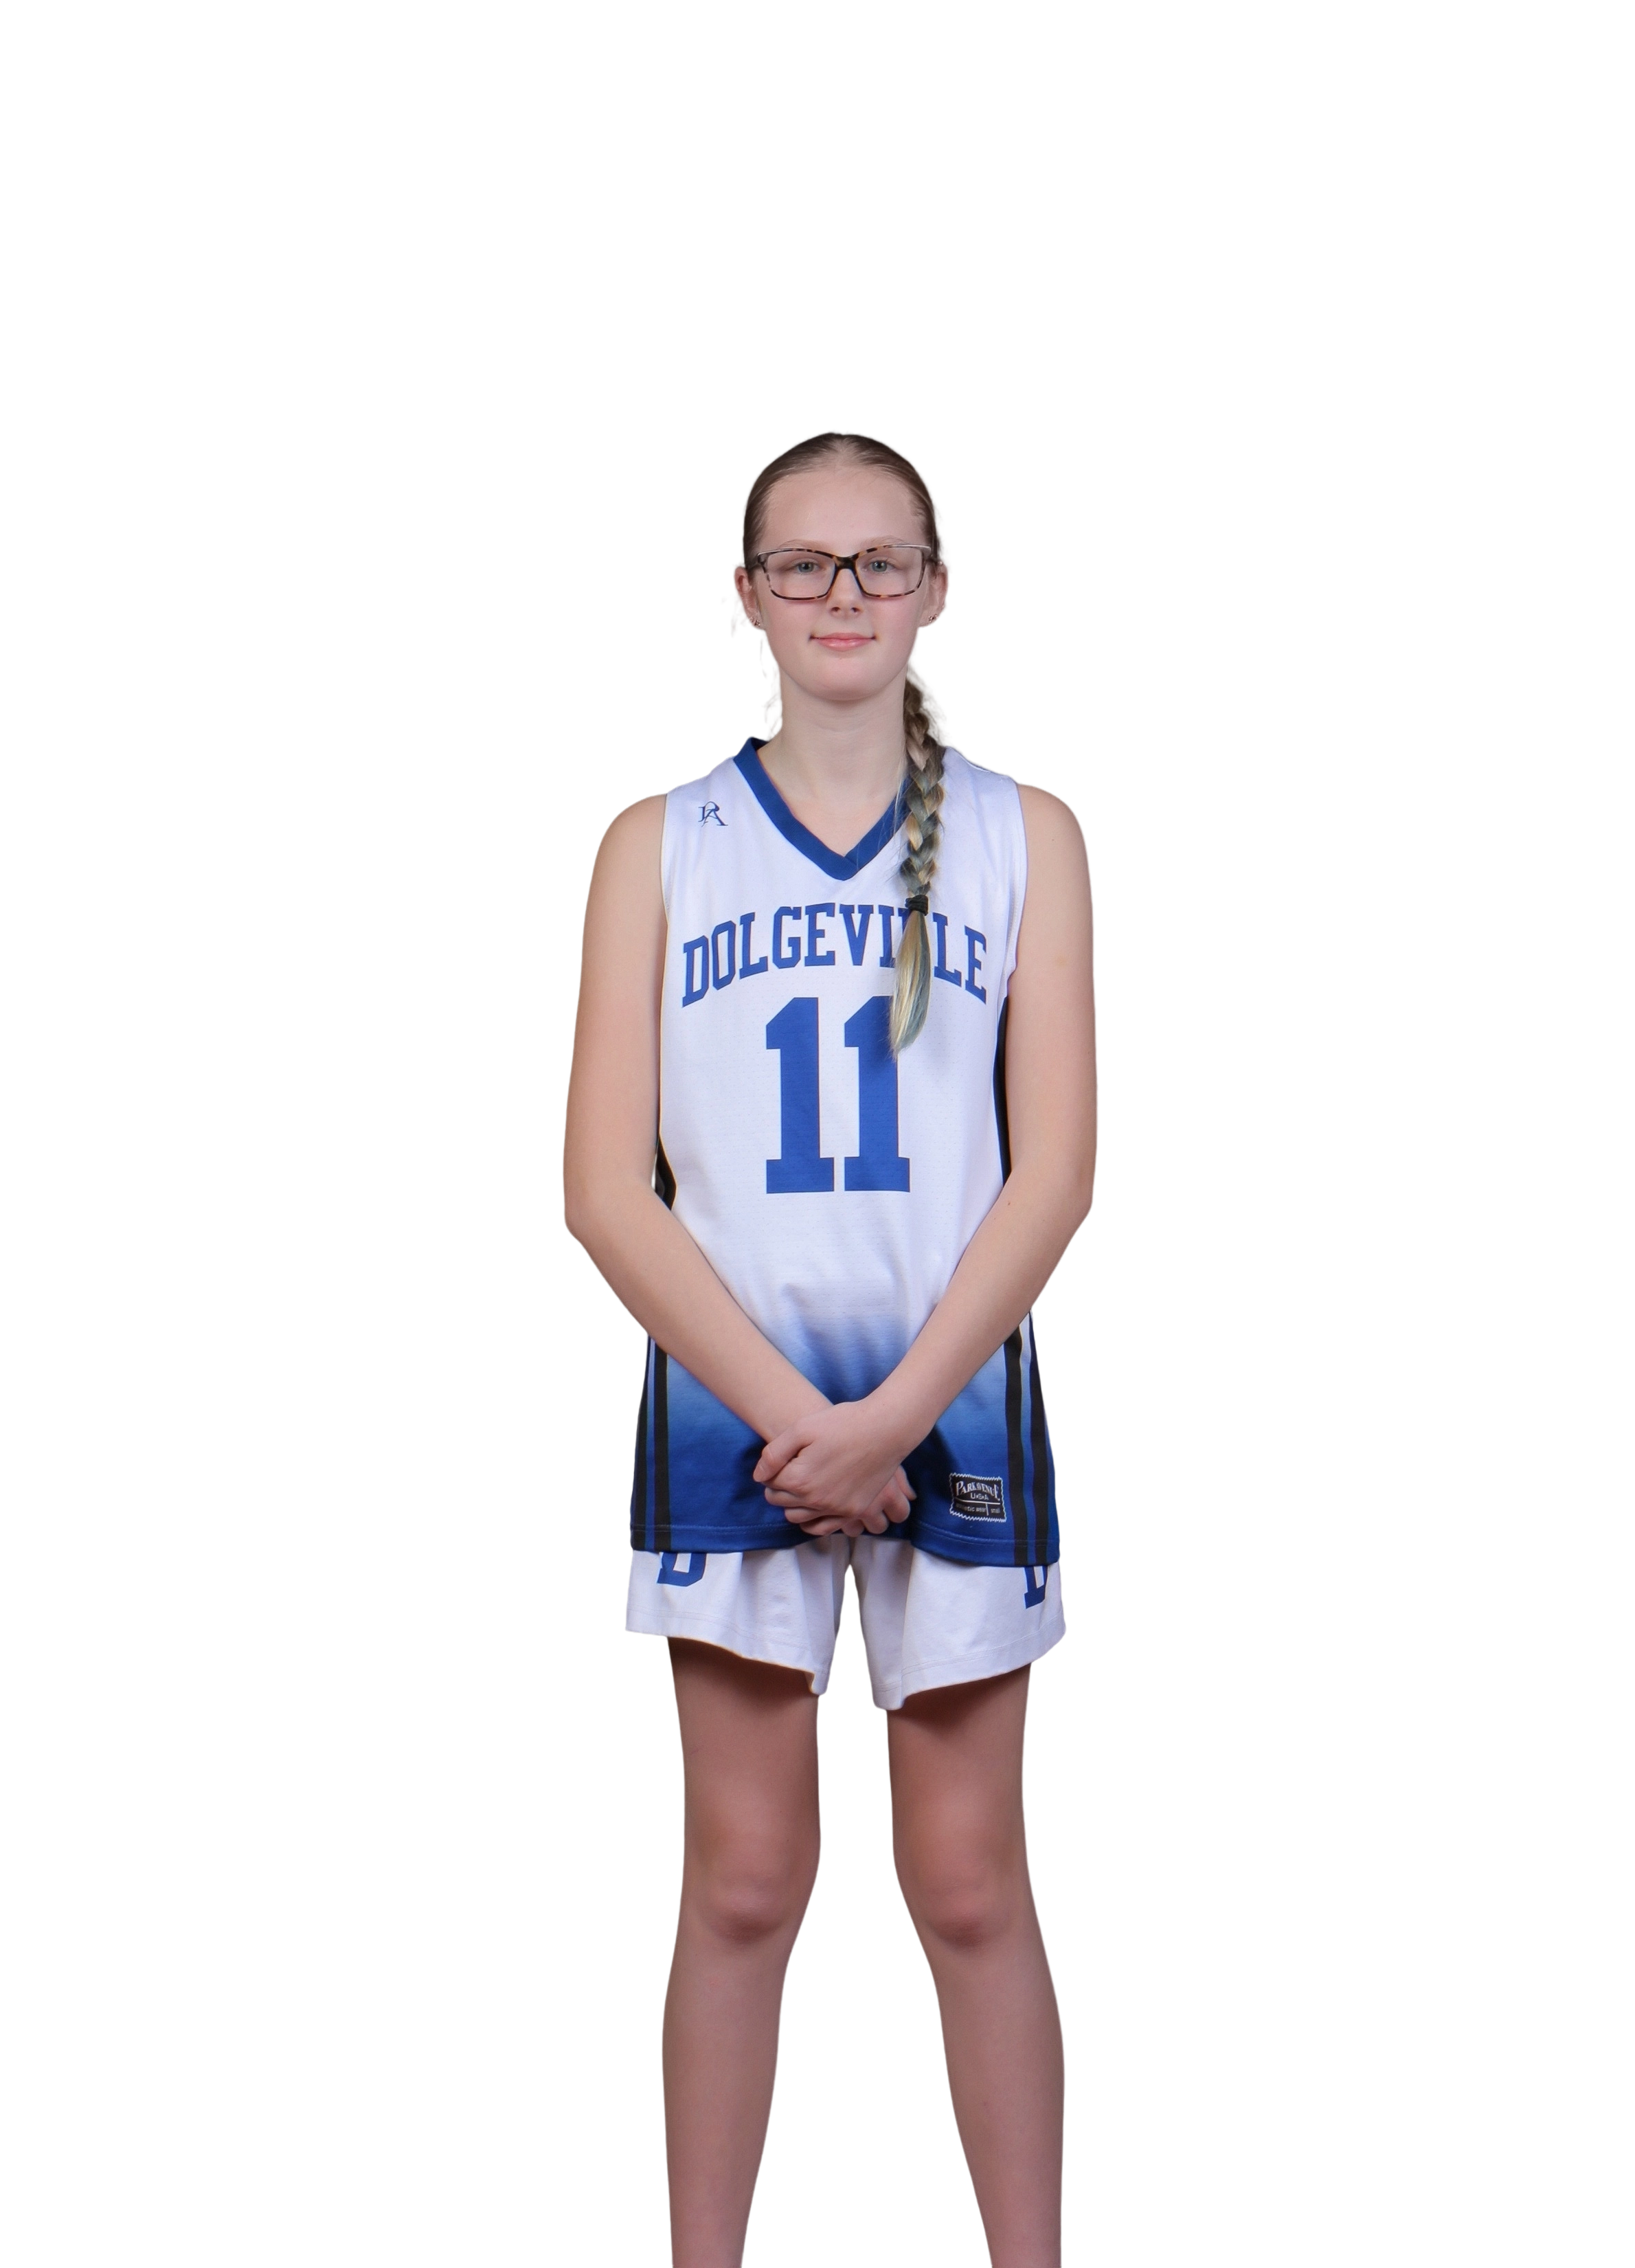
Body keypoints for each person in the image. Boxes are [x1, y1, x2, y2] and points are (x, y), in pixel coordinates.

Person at [561, 426, 1099, 2267]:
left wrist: (896, 1420)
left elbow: (1056, 1172)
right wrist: (812, 1424)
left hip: (958, 1405)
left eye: (881, 562)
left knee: (971, 1883)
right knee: (739, 1883)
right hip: (740, 1410)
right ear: (743, 602)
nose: (843, 595)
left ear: (940, 589)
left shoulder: (1029, 836)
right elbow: (606, 1193)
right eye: (803, 563)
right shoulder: (659, 844)